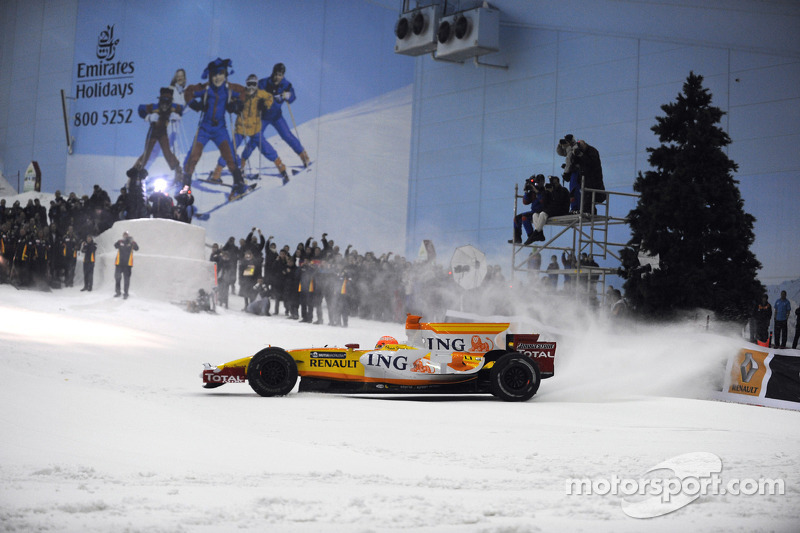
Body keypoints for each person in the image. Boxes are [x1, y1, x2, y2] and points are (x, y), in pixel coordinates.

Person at [182, 58, 249, 198]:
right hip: (205, 129)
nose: (217, 78)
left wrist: (237, 105)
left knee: (229, 155)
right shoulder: (206, 88)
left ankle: (239, 183)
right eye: (214, 75)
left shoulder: (229, 89)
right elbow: (189, 91)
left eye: (221, 74)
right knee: (194, 155)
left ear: (225, 74)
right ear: (210, 76)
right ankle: (185, 188)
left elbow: (244, 92)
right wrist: (195, 104)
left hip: (220, 129)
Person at [209, 74, 288, 183]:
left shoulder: (260, 94)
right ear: (246, 84)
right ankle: (217, 172)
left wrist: (264, 105)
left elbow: (270, 98)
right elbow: (230, 97)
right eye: (249, 84)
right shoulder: (242, 93)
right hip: (241, 127)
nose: (251, 87)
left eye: (253, 84)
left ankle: (280, 166)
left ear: (257, 85)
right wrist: (232, 106)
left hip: (255, 128)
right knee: (231, 148)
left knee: (265, 147)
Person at [257, 63, 311, 169]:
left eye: (280, 75)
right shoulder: (264, 83)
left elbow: (292, 97)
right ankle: (243, 163)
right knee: (256, 137)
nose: (278, 77)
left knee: (287, 135)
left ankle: (304, 156)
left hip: (276, 116)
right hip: (263, 116)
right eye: (276, 74)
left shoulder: (285, 84)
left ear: (283, 75)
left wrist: (288, 96)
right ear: (273, 73)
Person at [130, 87, 185, 185]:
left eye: (167, 101)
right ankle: (136, 171)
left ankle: (178, 172)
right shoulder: (154, 107)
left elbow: (182, 108)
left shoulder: (173, 107)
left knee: (167, 152)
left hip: (162, 133)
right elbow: (140, 108)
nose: (164, 104)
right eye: (163, 100)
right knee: (147, 152)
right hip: (153, 132)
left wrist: (177, 115)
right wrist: (148, 117)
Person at [557, 134, 606, 214]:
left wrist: (579, 155)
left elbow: (590, 163)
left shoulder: (591, 151)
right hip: (583, 175)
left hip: (591, 177)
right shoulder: (576, 150)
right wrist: (561, 145)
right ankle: (577, 208)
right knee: (579, 192)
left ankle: (586, 210)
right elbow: (570, 159)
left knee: (586, 193)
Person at [510, 175, 543, 245]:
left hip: (541, 212)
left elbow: (543, 200)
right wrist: (526, 192)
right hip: (533, 211)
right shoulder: (533, 192)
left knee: (525, 218)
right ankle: (517, 238)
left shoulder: (544, 191)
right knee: (516, 218)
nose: (535, 184)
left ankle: (531, 236)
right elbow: (525, 202)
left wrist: (536, 191)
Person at [113, 231, 139, 299]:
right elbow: (115, 246)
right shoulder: (120, 241)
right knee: (117, 278)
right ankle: (118, 292)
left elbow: (137, 248)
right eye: (124, 235)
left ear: (128, 235)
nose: (125, 236)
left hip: (127, 264)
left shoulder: (131, 242)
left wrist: (133, 242)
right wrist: (118, 242)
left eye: (126, 235)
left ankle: (126, 293)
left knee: (126, 279)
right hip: (119, 263)